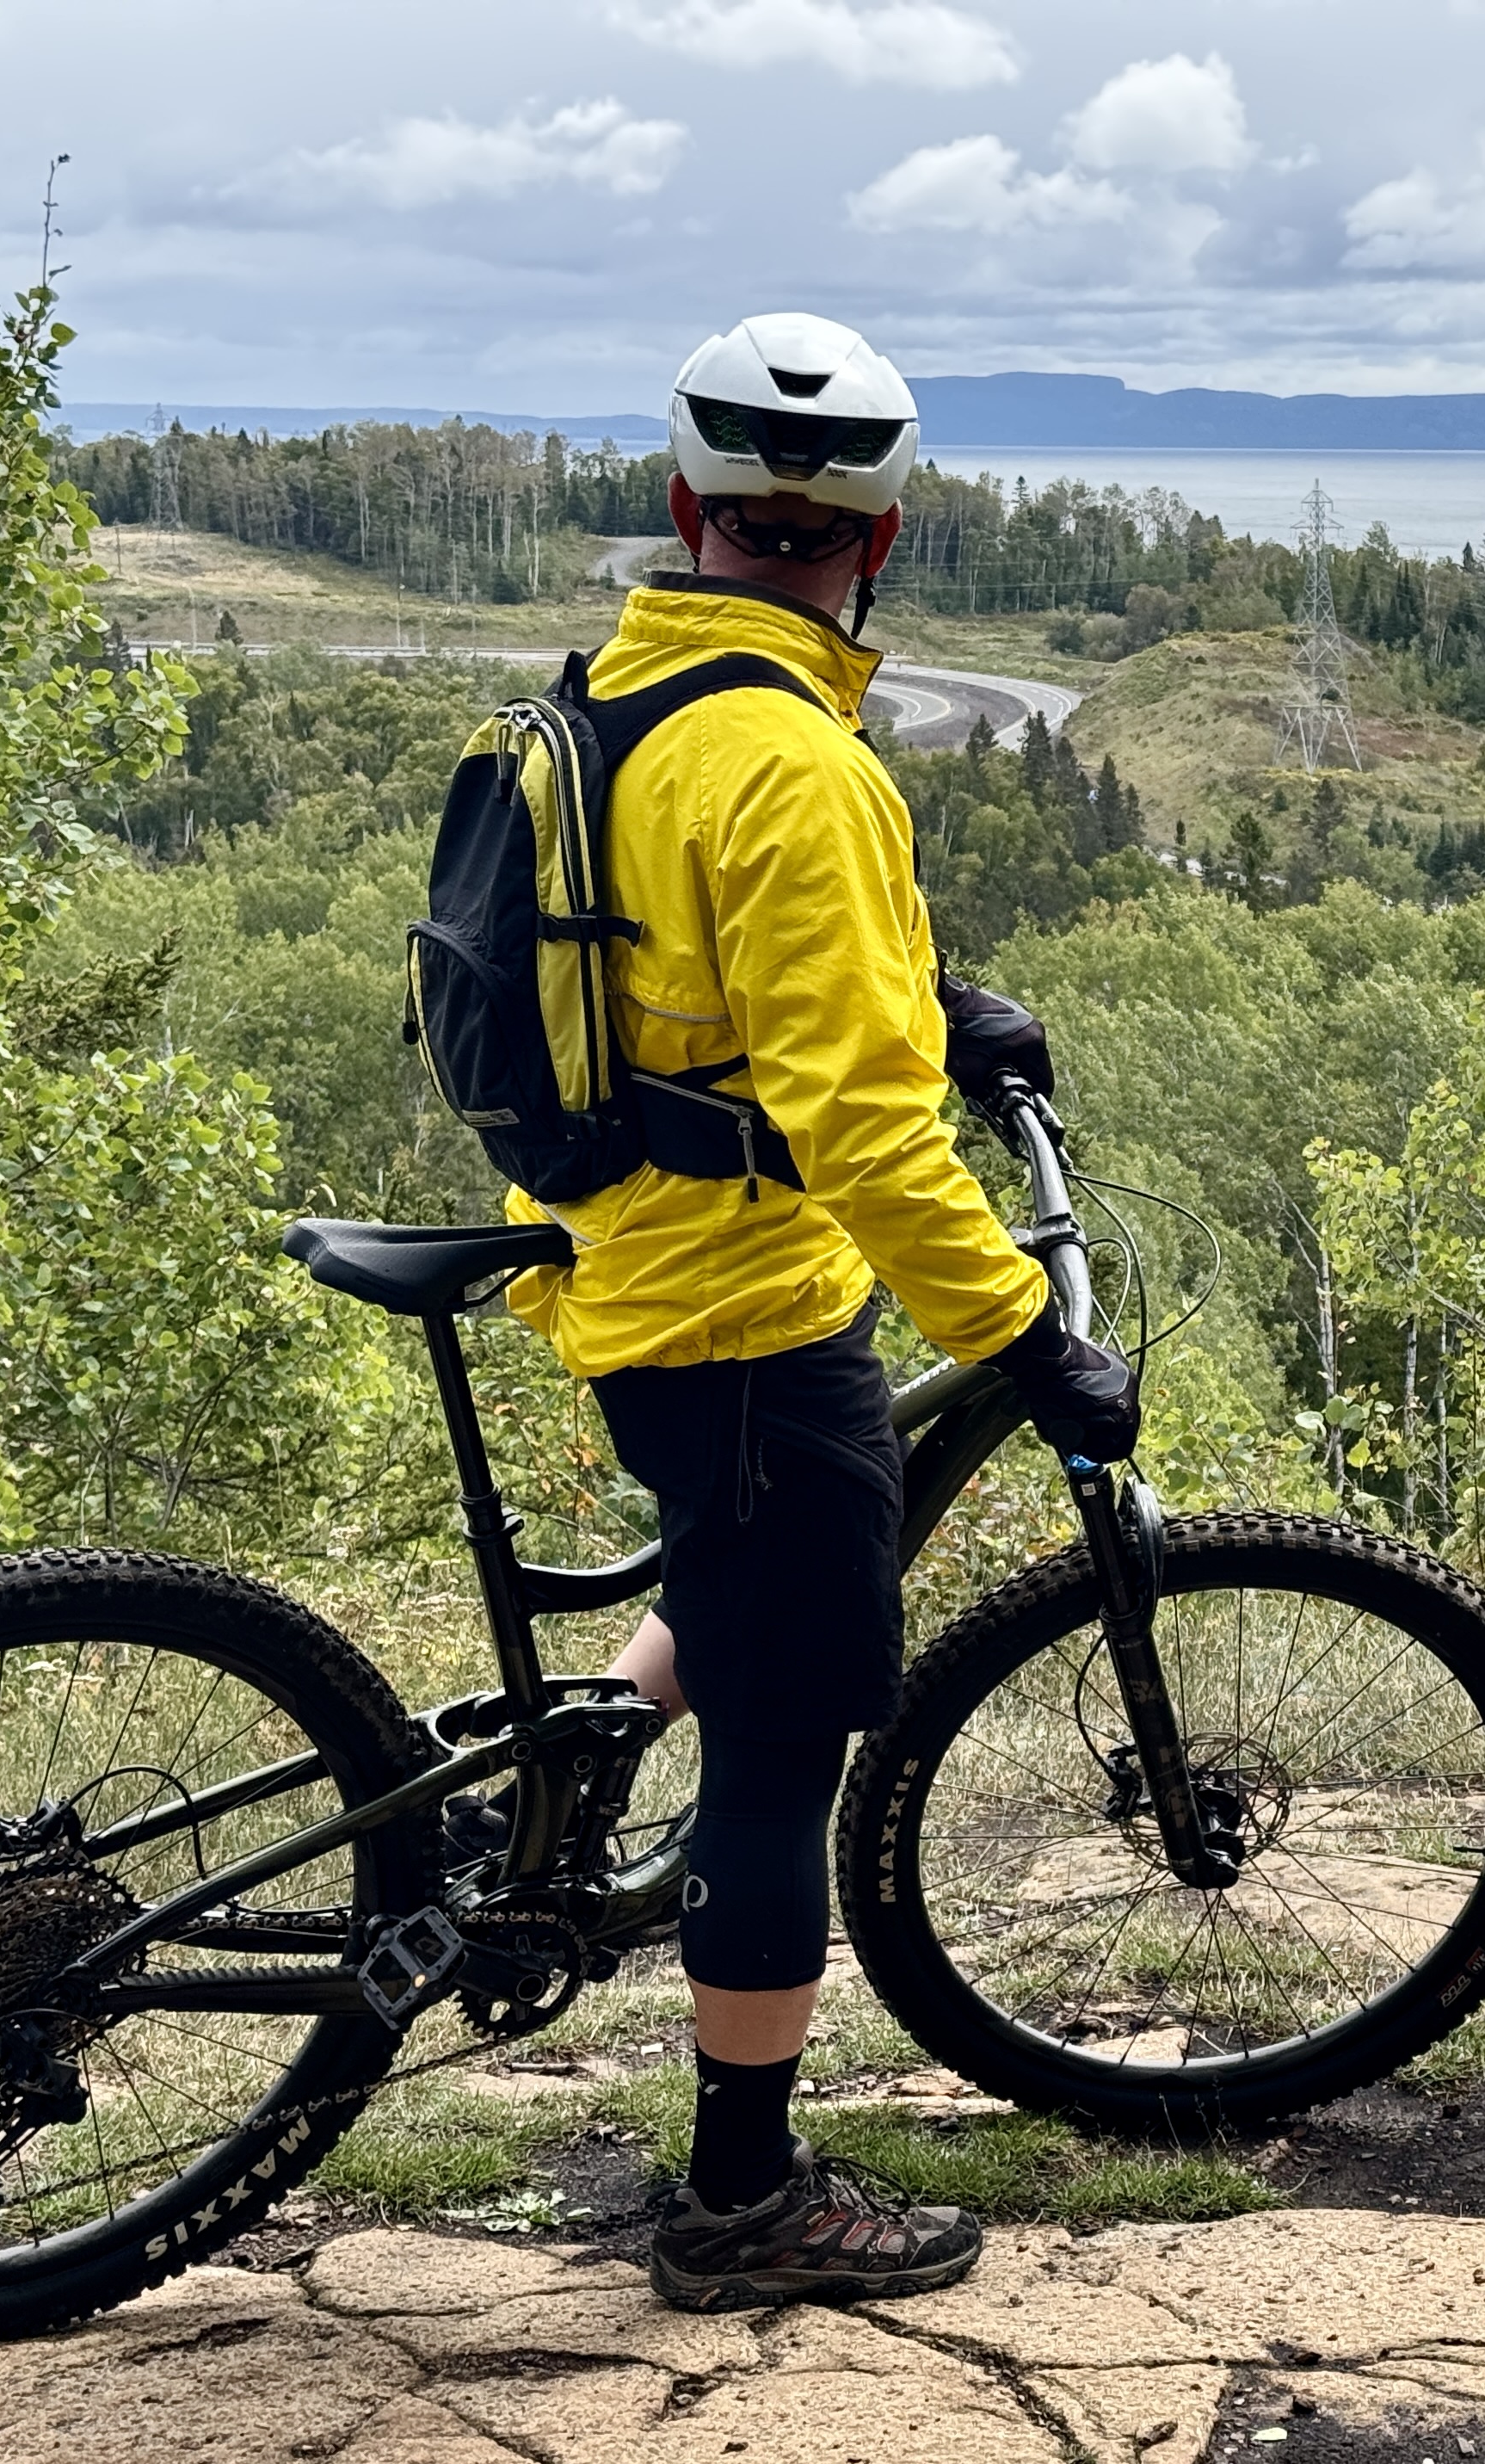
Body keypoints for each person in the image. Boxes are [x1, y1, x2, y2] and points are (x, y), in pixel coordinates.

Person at [501, 312, 1141, 2309]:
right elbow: (862, 1136)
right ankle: (740, 2200)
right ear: (883, 545)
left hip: (612, 1260)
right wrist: (1030, 1340)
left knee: (748, 1571)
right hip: (743, 1315)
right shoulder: (803, 761)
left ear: (687, 510)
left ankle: (589, 1748)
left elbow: (708, 969)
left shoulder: (614, 706)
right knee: (785, 1760)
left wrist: (946, 1004)